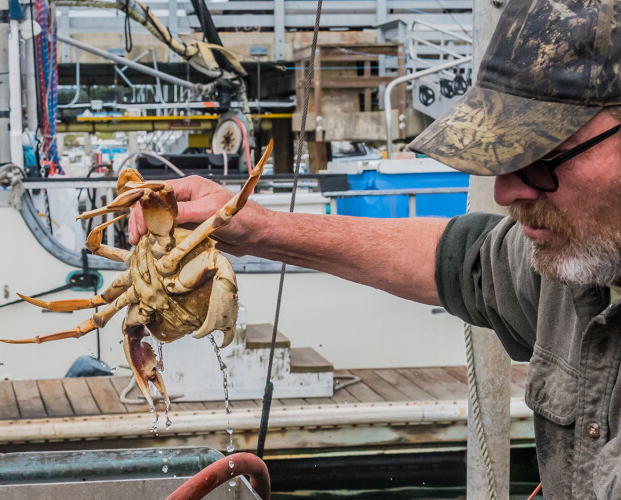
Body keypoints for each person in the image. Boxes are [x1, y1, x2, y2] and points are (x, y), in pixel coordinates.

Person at [127, 0, 621, 496]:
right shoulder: (582, 266)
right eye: (502, 159)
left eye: (543, 156)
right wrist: (255, 226)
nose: (505, 192)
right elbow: (462, 263)